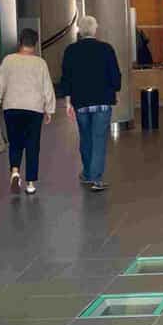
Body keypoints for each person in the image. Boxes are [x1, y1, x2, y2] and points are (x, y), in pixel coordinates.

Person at [58, 15, 122, 193]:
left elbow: (66, 78)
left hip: (81, 103)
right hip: (102, 102)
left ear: (79, 29)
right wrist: (115, 91)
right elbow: (115, 75)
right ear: (95, 30)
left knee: (85, 137)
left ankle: (87, 173)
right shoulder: (106, 49)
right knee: (99, 139)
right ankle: (96, 178)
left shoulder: (71, 51)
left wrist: (69, 101)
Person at [0, 29, 56, 195]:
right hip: (34, 109)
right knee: (33, 144)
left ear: (20, 42)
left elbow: (0, 83)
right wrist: (49, 109)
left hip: (11, 108)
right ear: (35, 44)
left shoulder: (8, 60)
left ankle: (15, 171)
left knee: (15, 142)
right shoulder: (40, 63)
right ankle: (31, 183)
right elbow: (47, 87)